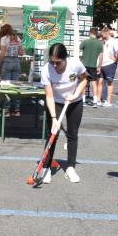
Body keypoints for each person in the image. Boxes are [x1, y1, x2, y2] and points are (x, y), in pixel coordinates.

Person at [39, 43, 87, 184]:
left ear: (65, 58)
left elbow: (84, 79)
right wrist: (54, 118)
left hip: (74, 100)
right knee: (52, 134)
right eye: (52, 62)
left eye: (58, 62)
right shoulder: (46, 70)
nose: (54, 66)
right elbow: (49, 96)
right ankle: (46, 168)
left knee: (72, 133)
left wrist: (76, 94)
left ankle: (70, 168)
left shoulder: (75, 64)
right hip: (56, 101)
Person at [0, 24, 24, 117]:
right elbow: (21, 53)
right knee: (16, 86)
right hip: (16, 62)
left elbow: (2, 53)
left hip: (7, 62)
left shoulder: (4, 39)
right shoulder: (17, 38)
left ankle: (7, 111)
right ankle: (17, 110)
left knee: (6, 86)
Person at [79, 27, 104, 108]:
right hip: (93, 65)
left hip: (84, 65)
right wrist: (99, 66)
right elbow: (101, 57)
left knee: (84, 82)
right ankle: (95, 102)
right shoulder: (100, 44)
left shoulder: (85, 42)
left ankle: (83, 101)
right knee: (94, 84)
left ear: (90, 33)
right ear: (96, 34)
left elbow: (79, 49)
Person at [98, 27, 118, 107]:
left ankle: (108, 101)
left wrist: (116, 58)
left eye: (102, 34)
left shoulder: (113, 41)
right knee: (100, 82)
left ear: (106, 33)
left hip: (110, 64)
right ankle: (98, 99)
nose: (101, 35)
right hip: (102, 64)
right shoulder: (104, 41)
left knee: (109, 82)